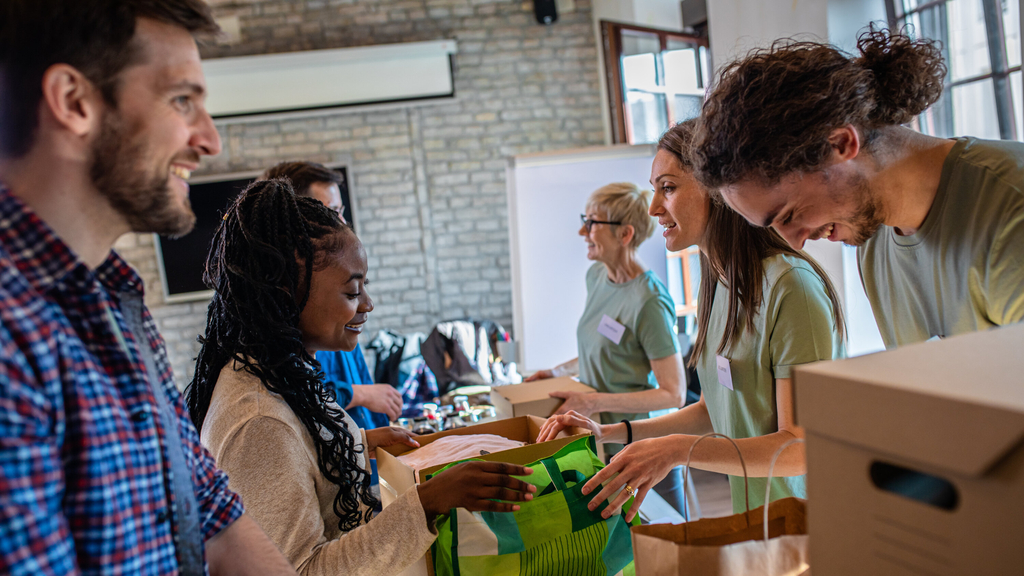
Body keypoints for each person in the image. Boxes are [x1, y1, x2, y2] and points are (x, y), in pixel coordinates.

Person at [0, 1, 297, 574]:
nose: (209, 141)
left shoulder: (116, 302)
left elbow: (209, 515)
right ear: (74, 102)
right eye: (182, 100)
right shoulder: (12, 333)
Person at [186, 179, 536, 576]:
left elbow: (300, 465)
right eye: (353, 292)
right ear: (286, 292)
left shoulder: (282, 373)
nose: (367, 304)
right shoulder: (259, 421)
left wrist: (360, 442)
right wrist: (427, 502)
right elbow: (301, 569)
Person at [538, 120, 845, 519]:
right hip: (755, 520)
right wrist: (611, 433)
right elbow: (712, 410)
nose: (654, 208)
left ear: (718, 189)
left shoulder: (791, 287)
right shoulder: (719, 284)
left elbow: (798, 449)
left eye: (667, 188)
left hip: (811, 526)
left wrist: (677, 450)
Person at [693, 27, 1024, 349]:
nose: (796, 242)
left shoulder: (1009, 206)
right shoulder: (873, 241)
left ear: (840, 143)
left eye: (789, 215)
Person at [525, 182, 687, 511]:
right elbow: (603, 347)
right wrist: (556, 372)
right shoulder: (597, 277)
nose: (582, 231)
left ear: (625, 234)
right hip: (601, 436)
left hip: (641, 444)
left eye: (592, 222)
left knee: (664, 533)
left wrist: (591, 400)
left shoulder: (650, 301)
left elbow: (673, 393)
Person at [261, 160, 401, 429]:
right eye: (331, 212)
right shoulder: (305, 321)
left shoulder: (340, 318)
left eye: (341, 211)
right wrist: (359, 394)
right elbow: (303, 391)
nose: (342, 223)